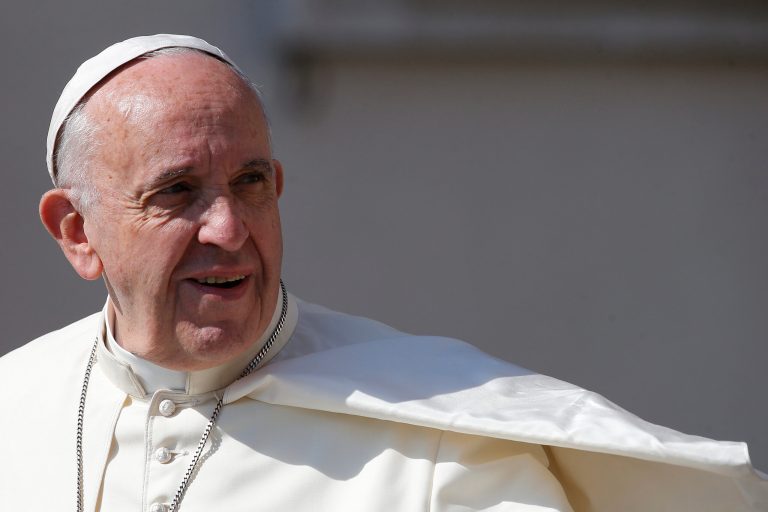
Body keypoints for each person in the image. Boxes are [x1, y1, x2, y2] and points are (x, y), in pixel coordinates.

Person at [0, 34, 765, 512]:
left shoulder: (446, 445)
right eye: (177, 193)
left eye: (251, 183)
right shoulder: (14, 410)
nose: (229, 229)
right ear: (78, 234)